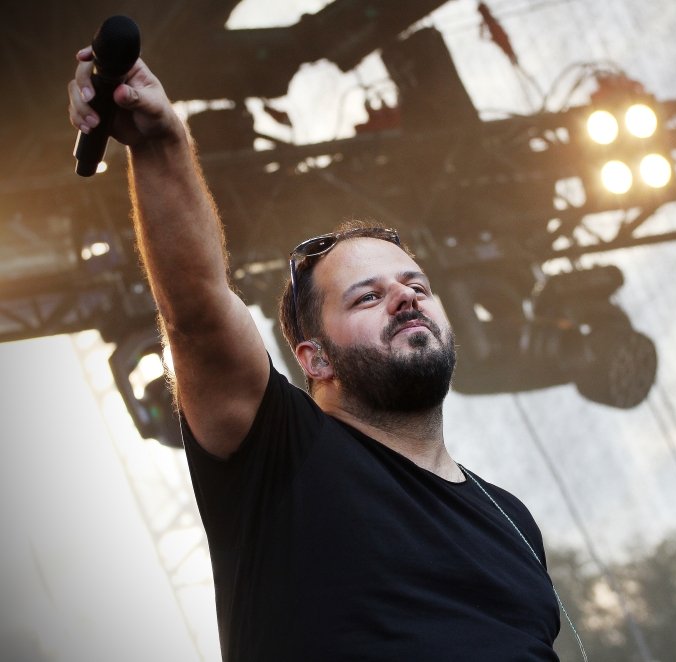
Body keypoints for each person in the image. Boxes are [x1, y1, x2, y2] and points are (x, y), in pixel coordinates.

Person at [67, 46, 563, 661]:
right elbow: (196, 310)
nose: (405, 298)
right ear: (315, 360)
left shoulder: (511, 518)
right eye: (367, 297)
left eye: (417, 286)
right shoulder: (281, 452)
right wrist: (159, 143)